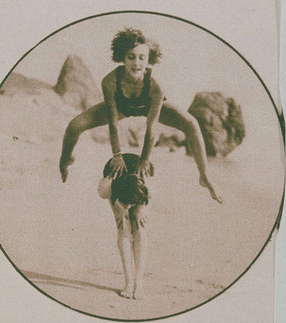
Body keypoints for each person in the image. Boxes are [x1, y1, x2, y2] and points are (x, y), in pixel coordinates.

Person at [59, 28, 222, 203]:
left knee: (191, 123)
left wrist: (145, 159)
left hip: (148, 107)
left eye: (141, 57)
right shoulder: (110, 82)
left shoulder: (156, 86)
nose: (136, 63)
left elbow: (151, 127)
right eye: (131, 57)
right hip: (121, 108)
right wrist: (117, 156)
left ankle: (204, 176)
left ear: (149, 59)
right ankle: (65, 159)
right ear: (122, 57)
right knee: (74, 125)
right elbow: (113, 123)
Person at [98, 153, 153, 299]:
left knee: (140, 228)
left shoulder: (148, 183)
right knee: (123, 227)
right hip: (117, 183)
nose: (129, 206)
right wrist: (120, 207)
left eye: (131, 204)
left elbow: (146, 197)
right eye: (127, 203)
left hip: (140, 178)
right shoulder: (106, 188)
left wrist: (140, 208)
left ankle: (139, 283)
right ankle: (128, 283)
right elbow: (111, 196)